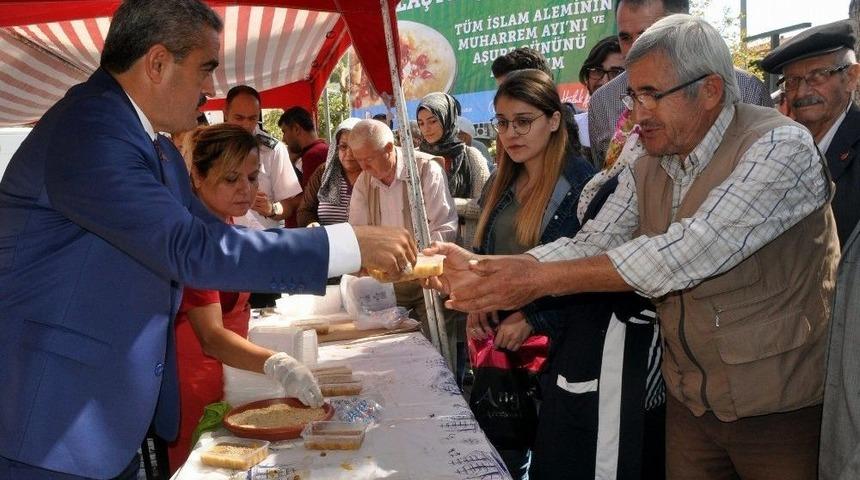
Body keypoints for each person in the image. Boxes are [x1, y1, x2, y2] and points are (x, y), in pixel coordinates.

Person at [0, 1, 416, 478]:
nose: (210, 89)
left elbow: (217, 235)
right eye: (205, 68)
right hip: (52, 420)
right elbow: (193, 249)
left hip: (102, 416)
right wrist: (347, 245)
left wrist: (346, 252)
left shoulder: (154, 148)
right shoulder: (90, 131)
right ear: (158, 63)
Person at [427, 15, 839, 480]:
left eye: (651, 95)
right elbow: (594, 241)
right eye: (633, 96)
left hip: (778, 407)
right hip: (689, 402)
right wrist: (486, 269)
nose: (638, 114)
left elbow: (688, 251)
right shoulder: (647, 153)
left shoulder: (780, 144)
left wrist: (532, 279)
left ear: (709, 90)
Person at [167, 124, 322, 469]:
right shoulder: (193, 237)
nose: (245, 189)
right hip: (197, 386)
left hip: (232, 377)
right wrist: (279, 364)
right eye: (230, 178)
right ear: (198, 178)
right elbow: (212, 337)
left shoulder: (229, 225)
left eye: (252, 178)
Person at [468, 68, 596, 478]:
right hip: (502, 351)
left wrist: (532, 317)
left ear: (554, 120)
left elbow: (587, 272)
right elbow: (484, 256)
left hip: (559, 355)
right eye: (503, 122)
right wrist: (477, 302)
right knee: (500, 456)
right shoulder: (499, 181)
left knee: (554, 463)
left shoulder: (584, 185)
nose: (511, 134)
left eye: (524, 121)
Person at [587, 0, 773, 168]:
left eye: (648, 36)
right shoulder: (602, 102)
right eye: (625, 38)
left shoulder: (747, 88)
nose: (635, 48)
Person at [348, 119, 457, 336]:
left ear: (389, 148)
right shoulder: (364, 181)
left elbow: (444, 227)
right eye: (359, 160)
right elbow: (358, 231)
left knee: (437, 344)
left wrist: (419, 261)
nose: (364, 167)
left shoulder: (425, 170)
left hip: (430, 281)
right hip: (387, 285)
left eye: (368, 159)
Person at [761, 19, 860, 247]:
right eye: (792, 81)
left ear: (852, 78)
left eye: (817, 76)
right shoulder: (778, 149)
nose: (802, 92)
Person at [417, 92, 490, 248]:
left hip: (464, 245)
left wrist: (447, 205)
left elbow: (486, 205)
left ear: (447, 118)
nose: (426, 129)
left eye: (433, 121)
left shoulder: (471, 156)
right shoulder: (415, 158)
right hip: (425, 245)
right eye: (421, 123)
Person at [224, 85, 302, 230]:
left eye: (252, 118)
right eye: (239, 118)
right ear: (226, 112)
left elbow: (290, 204)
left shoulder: (274, 150)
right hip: (222, 236)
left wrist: (271, 209)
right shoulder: (211, 146)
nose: (246, 124)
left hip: (263, 237)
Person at [296, 117, 362, 227]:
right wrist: (311, 223)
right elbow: (305, 210)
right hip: (327, 237)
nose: (349, 153)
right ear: (336, 147)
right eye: (343, 146)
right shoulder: (324, 172)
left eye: (354, 147)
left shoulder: (372, 173)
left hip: (364, 238)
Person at [278, 106, 328, 188]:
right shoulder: (322, 148)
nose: (283, 139)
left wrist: (290, 163)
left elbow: (306, 196)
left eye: (284, 132)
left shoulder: (313, 155)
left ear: (296, 129)